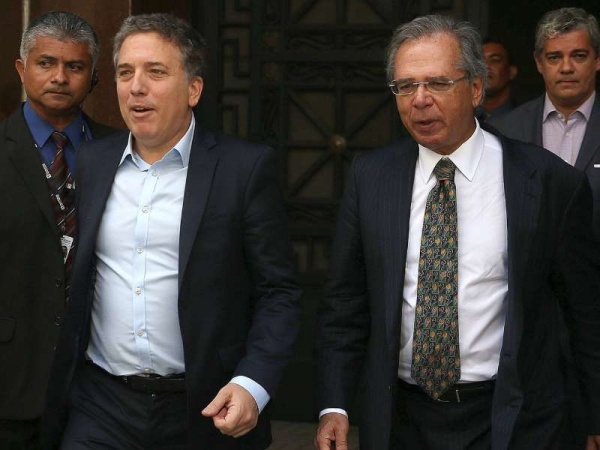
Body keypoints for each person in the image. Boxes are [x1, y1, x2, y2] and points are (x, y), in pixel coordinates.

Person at [314, 14, 600, 450]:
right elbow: (344, 305)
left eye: (437, 83)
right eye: (405, 86)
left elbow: (583, 312)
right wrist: (334, 405)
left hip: (512, 418)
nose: (420, 100)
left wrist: (593, 415)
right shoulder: (371, 177)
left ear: (476, 89)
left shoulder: (546, 181)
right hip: (401, 420)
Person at [42, 13, 301, 450]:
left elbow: (279, 291)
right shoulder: (92, 162)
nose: (136, 87)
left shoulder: (242, 169)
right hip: (101, 404)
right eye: (125, 72)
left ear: (193, 89)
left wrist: (252, 384)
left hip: (205, 406)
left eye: (156, 72)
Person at [0, 11, 114, 450]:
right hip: (12, 378)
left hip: (104, 382)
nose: (60, 77)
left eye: (75, 66)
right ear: (21, 68)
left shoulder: (122, 154)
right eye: (46, 63)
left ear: (94, 77)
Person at [490, 7, 600, 238]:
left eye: (579, 56)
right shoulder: (504, 131)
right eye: (554, 57)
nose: (566, 68)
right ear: (539, 63)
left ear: (597, 60)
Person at [476, 39, 517, 121]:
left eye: (495, 60)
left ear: (512, 72)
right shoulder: (460, 116)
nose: (485, 66)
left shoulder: (524, 119)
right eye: (480, 61)